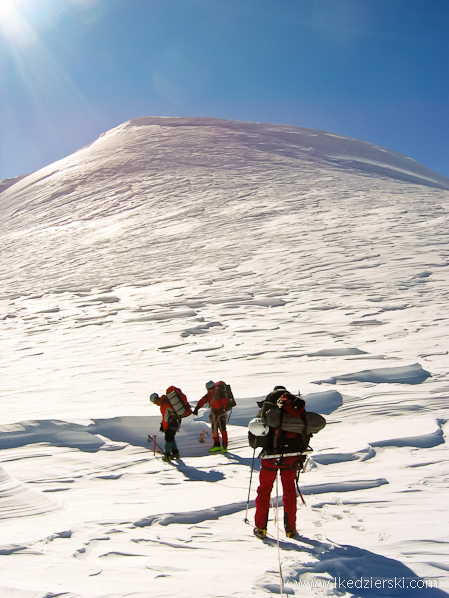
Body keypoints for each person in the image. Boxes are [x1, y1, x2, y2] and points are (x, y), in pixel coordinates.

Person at [252, 385, 308, 539]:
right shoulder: (296, 408)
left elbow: (254, 440)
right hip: (292, 457)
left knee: (264, 490)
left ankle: (260, 528)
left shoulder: (268, 407)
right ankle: (291, 530)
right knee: (289, 491)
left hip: (271, 457)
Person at [193, 380, 228, 453]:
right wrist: (196, 408)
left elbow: (203, 401)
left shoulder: (216, 394)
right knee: (219, 429)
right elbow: (202, 401)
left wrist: (197, 408)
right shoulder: (214, 394)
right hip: (218, 413)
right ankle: (221, 446)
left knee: (219, 429)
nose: (209, 390)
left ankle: (220, 446)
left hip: (218, 414)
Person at [150, 390, 184, 461]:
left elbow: (165, 418)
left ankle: (167, 455)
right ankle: (175, 453)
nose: (154, 403)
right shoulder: (166, 400)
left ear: (156, 400)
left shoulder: (163, 405)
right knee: (171, 437)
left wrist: (164, 428)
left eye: (154, 402)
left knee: (168, 438)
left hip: (172, 423)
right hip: (177, 421)